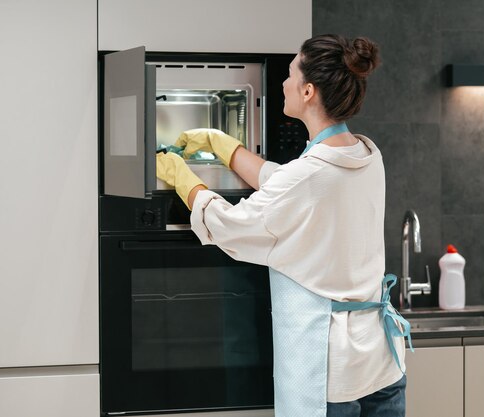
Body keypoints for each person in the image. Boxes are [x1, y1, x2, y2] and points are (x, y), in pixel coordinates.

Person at [156, 34, 413, 417]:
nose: (283, 82)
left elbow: (230, 224)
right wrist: (224, 146)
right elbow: (292, 186)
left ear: (308, 91)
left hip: (330, 374)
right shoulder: (366, 153)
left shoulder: (308, 177)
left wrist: (182, 179)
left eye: (290, 73)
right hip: (382, 362)